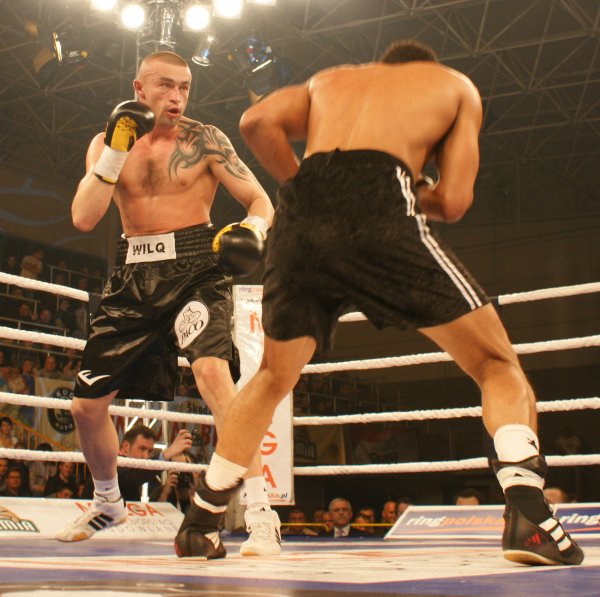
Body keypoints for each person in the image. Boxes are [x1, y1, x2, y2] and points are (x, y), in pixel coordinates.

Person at [174, 39, 583, 567]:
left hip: (300, 217)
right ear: (424, 67)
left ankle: (200, 523)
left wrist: (301, 183)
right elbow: (455, 201)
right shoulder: (453, 85)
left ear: (382, 64)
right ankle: (529, 516)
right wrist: (419, 187)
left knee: (272, 377)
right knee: (495, 363)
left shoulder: (331, 79)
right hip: (379, 201)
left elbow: (255, 121)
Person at [55, 50, 279, 558]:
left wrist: (253, 229)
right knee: (86, 407)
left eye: (184, 87)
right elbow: (84, 218)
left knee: (214, 377)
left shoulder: (206, 139)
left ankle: (261, 515)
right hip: (133, 274)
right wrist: (114, 152)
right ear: (139, 88)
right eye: (165, 86)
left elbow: (260, 200)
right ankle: (108, 502)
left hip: (197, 268)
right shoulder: (107, 142)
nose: (176, 97)